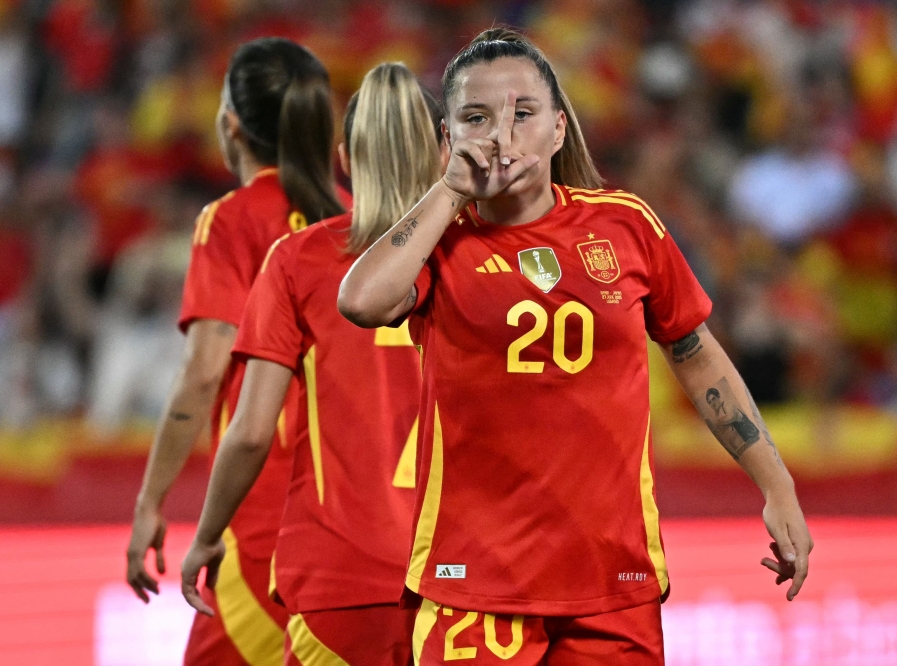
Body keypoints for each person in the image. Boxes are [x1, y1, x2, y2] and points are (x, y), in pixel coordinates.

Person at [339, 29, 813, 664]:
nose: (501, 135)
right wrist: (449, 190)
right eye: (476, 118)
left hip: (611, 586)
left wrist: (776, 483)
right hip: (474, 587)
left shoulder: (625, 225)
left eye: (523, 113)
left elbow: (695, 353)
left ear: (559, 130)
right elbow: (361, 301)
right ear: (449, 139)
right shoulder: (440, 241)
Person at [179, 62, 443, 665]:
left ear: (345, 159)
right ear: (442, 152)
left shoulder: (298, 260)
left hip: (342, 581)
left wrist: (205, 535)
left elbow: (249, 432)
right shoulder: (479, 259)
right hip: (463, 587)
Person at [125, 37, 344, 666]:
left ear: (231, 123)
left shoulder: (230, 221)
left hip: (263, 519)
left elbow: (203, 372)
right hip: (360, 515)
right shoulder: (363, 221)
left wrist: (150, 503)